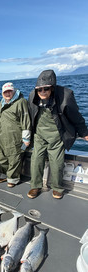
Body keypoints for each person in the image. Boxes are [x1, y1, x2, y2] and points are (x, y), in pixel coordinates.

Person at [27, 69, 88, 199]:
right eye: (39, 89)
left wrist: (84, 132)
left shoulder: (66, 97)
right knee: (36, 159)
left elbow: (76, 116)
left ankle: (57, 187)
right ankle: (35, 185)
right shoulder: (33, 96)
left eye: (46, 89)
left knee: (57, 162)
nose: (42, 92)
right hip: (39, 134)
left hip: (57, 134)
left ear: (52, 88)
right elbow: (30, 115)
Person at [0, 82, 31, 187]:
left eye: (9, 91)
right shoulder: (1, 103)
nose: (7, 93)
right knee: (1, 157)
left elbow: (26, 120)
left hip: (15, 138)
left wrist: (26, 138)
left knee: (14, 158)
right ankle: (5, 174)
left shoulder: (21, 102)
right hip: (1, 138)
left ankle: (13, 178)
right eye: (5, 92)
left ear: (13, 91)